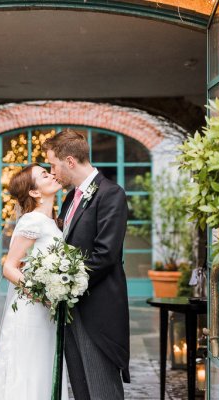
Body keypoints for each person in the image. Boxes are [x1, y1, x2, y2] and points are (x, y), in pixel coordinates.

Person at [43, 128, 130, 400]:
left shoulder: (111, 194)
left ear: (70, 161)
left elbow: (106, 254)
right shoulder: (70, 198)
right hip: (71, 310)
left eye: (53, 165)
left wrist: (66, 283)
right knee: (81, 389)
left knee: (102, 390)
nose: (52, 172)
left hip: (99, 310)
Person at [0, 164, 69, 400]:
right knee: (27, 372)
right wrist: (43, 294)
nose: (52, 174)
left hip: (47, 312)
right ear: (34, 192)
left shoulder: (53, 221)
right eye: (44, 174)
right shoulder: (32, 220)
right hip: (31, 310)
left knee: (44, 370)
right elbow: (9, 267)